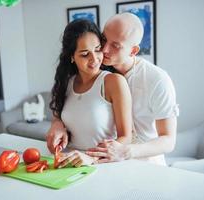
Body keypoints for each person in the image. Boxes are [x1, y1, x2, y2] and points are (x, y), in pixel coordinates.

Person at [47, 13, 178, 166]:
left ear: (133, 51)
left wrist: (127, 150)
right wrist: (57, 122)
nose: (104, 49)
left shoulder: (157, 79)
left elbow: (168, 141)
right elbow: (69, 99)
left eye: (115, 45)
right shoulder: (95, 64)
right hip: (108, 163)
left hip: (146, 163)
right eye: (103, 39)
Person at [48, 19, 132, 168]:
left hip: (102, 166)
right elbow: (59, 116)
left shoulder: (114, 82)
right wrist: (57, 124)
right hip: (66, 165)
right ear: (72, 57)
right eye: (85, 54)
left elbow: (126, 138)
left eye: (98, 49)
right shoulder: (66, 83)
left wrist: (90, 158)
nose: (95, 59)